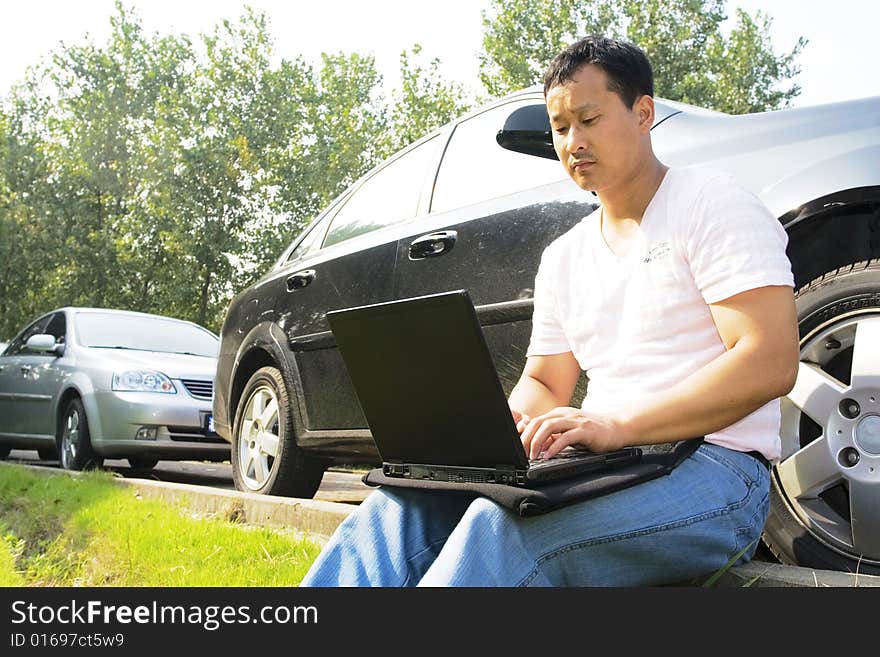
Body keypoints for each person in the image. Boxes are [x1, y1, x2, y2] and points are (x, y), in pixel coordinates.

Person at [300, 35, 799, 587]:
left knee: (504, 527)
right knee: (399, 507)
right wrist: (500, 436)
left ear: (642, 113)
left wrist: (617, 425)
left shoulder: (710, 201)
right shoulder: (564, 254)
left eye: (589, 119)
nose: (573, 142)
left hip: (717, 471)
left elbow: (769, 361)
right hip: (603, 460)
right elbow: (544, 379)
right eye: (561, 129)